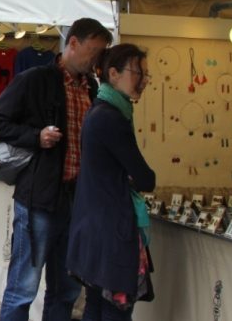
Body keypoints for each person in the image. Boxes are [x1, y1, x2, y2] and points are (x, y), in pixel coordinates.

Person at [0, 17, 112, 321]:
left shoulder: (92, 87)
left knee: (66, 289)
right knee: (23, 287)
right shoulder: (36, 79)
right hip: (38, 199)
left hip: (78, 201)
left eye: (101, 53)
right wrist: (35, 136)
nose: (96, 59)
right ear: (73, 43)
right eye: (93, 51)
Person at [67, 44, 156, 320]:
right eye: (137, 73)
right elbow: (145, 177)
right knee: (113, 312)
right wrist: (132, 177)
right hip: (110, 233)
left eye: (146, 74)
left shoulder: (99, 111)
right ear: (114, 74)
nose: (143, 80)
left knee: (95, 307)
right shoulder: (111, 118)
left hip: (93, 228)